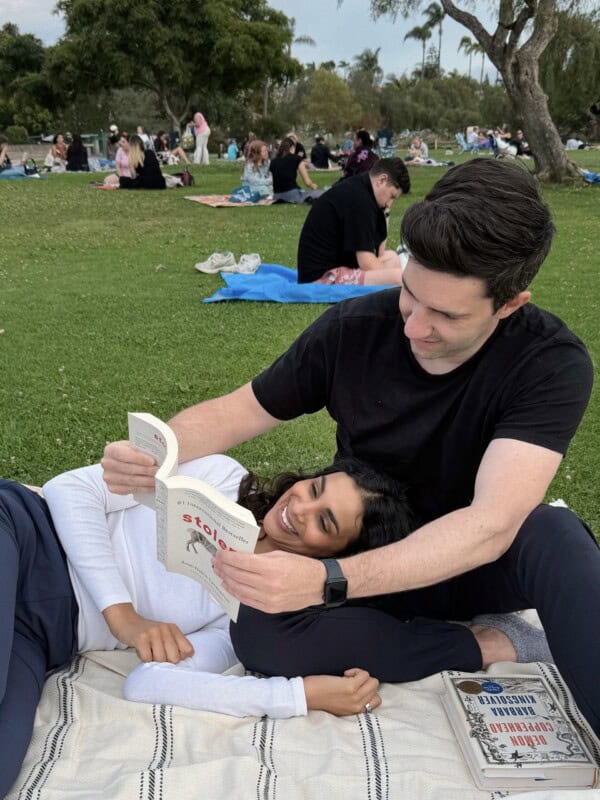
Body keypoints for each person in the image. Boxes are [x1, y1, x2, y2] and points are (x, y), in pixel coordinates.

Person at [102, 159, 599, 737]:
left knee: (554, 535)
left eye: (445, 315)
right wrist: (156, 449)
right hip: (363, 552)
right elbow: (239, 411)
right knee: (258, 628)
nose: (413, 327)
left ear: (510, 304)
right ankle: (489, 643)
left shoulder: (547, 363)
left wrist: (328, 581)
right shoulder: (355, 328)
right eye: (410, 294)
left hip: (467, 565)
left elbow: (491, 524)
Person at [0, 453, 411, 796]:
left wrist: (299, 695)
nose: (301, 509)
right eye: (315, 489)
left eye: (325, 522)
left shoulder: (252, 611)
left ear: (338, 562)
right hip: (24, 534)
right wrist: (121, 615)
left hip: (39, 636)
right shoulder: (221, 478)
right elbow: (68, 488)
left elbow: (148, 682)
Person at [297, 158, 409, 286]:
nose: (389, 203)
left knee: (392, 258)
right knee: (398, 277)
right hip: (322, 278)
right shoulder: (361, 201)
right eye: (391, 196)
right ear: (382, 180)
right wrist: (389, 275)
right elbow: (367, 263)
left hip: (338, 266)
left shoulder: (363, 191)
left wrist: (385, 213)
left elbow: (379, 252)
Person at [269, 137, 323, 204]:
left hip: (276, 196)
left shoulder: (273, 161)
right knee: (322, 193)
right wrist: (313, 186)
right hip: (292, 195)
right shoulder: (297, 158)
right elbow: (307, 183)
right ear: (292, 148)